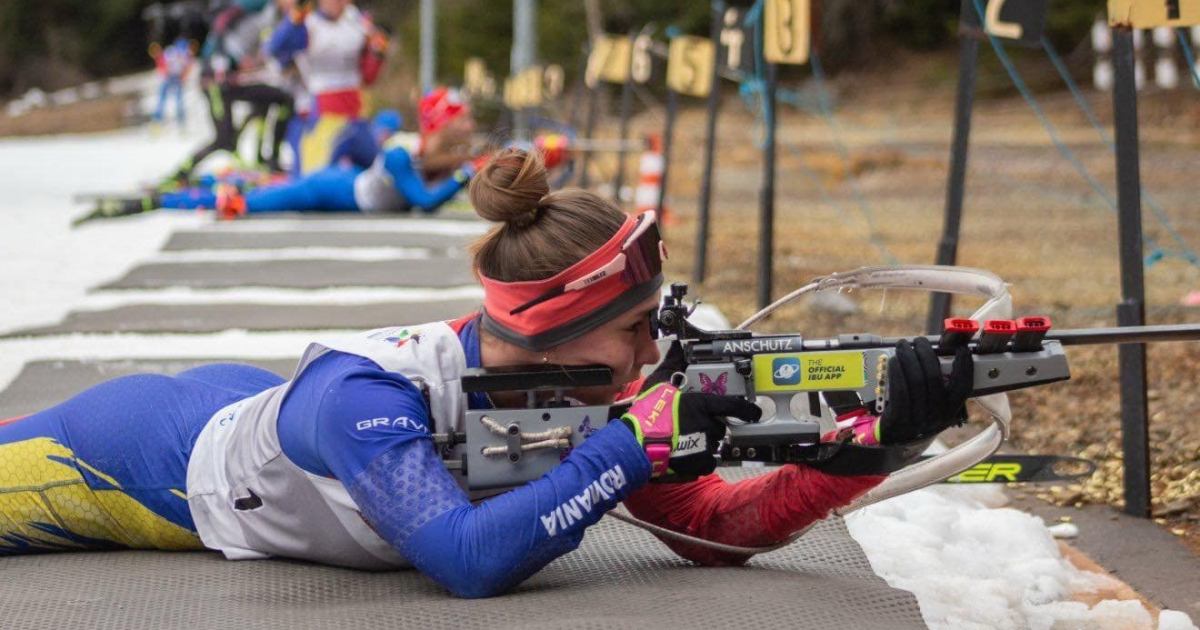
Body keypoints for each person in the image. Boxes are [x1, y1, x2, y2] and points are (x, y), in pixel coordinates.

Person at [3, 149, 973, 596]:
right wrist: (626, 453)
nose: (651, 358)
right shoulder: (366, 399)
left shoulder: (588, 393)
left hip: (237, 419)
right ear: (554, 334)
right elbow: (465, 560)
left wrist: (874, 451)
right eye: (633, 331)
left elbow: (717, 532)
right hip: (139, 455)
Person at [166, 0, 297, 187]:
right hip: (215, 77)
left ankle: (266, 159)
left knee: (277, 100)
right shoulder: (262, 5)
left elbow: (268, 47)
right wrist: (225, 56)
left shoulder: (280, 16)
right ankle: (181, 173)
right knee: (223, 139)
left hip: (232, 77)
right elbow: (223, 21)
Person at [267, 0, 388, 173]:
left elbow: (368, 76)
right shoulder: (310, 23)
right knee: (313, 174)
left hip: (355, 112)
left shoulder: (356, 21)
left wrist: (378, 52)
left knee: (379, 170)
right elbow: (274, 48)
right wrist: (294, 19)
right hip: (323, 113)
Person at [150, 36, 195, 125]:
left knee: (174, 99)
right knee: (168, 99)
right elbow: (186, 67)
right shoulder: (177, 53)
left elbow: (186, 68)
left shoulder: (180, 54)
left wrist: (181, 77)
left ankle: (178, 120)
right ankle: (161, 119)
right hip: (171, 77)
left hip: (173, 77)